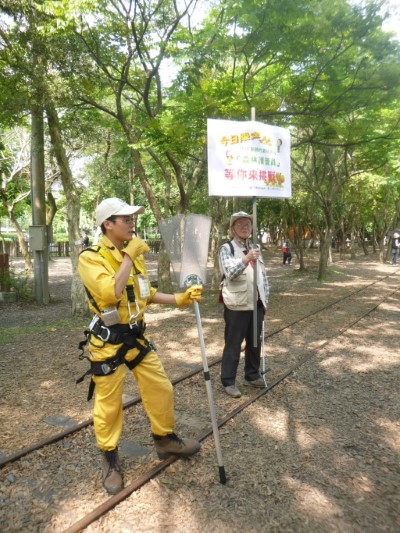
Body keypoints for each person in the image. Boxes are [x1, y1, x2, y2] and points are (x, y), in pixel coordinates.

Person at [77, 197, 202, 495]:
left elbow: (143, 292)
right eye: (126, 219)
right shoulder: (91, 257)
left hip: (136, 337)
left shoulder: (133, 253)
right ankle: (109, 458)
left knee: (162, 388)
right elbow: (110, 293)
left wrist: (179, 299)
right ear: (108, 224)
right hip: (108, 342)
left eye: (133, 218)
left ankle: (164, 439)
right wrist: (129, 257)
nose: (132, 223)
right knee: (109, 405)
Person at [218, 211, 269, 398]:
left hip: (256, 304)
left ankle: (252, 374)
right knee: (233, 343)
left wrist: (265, 300)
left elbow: (263, 276)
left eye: (248, 224)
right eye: (240, 224)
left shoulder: (255, 247)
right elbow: (230, 272)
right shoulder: (227, 248)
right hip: (237, 304)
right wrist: (246, 259)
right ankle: (228, 381)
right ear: (232, 229)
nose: (245, 227)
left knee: (255, 342)